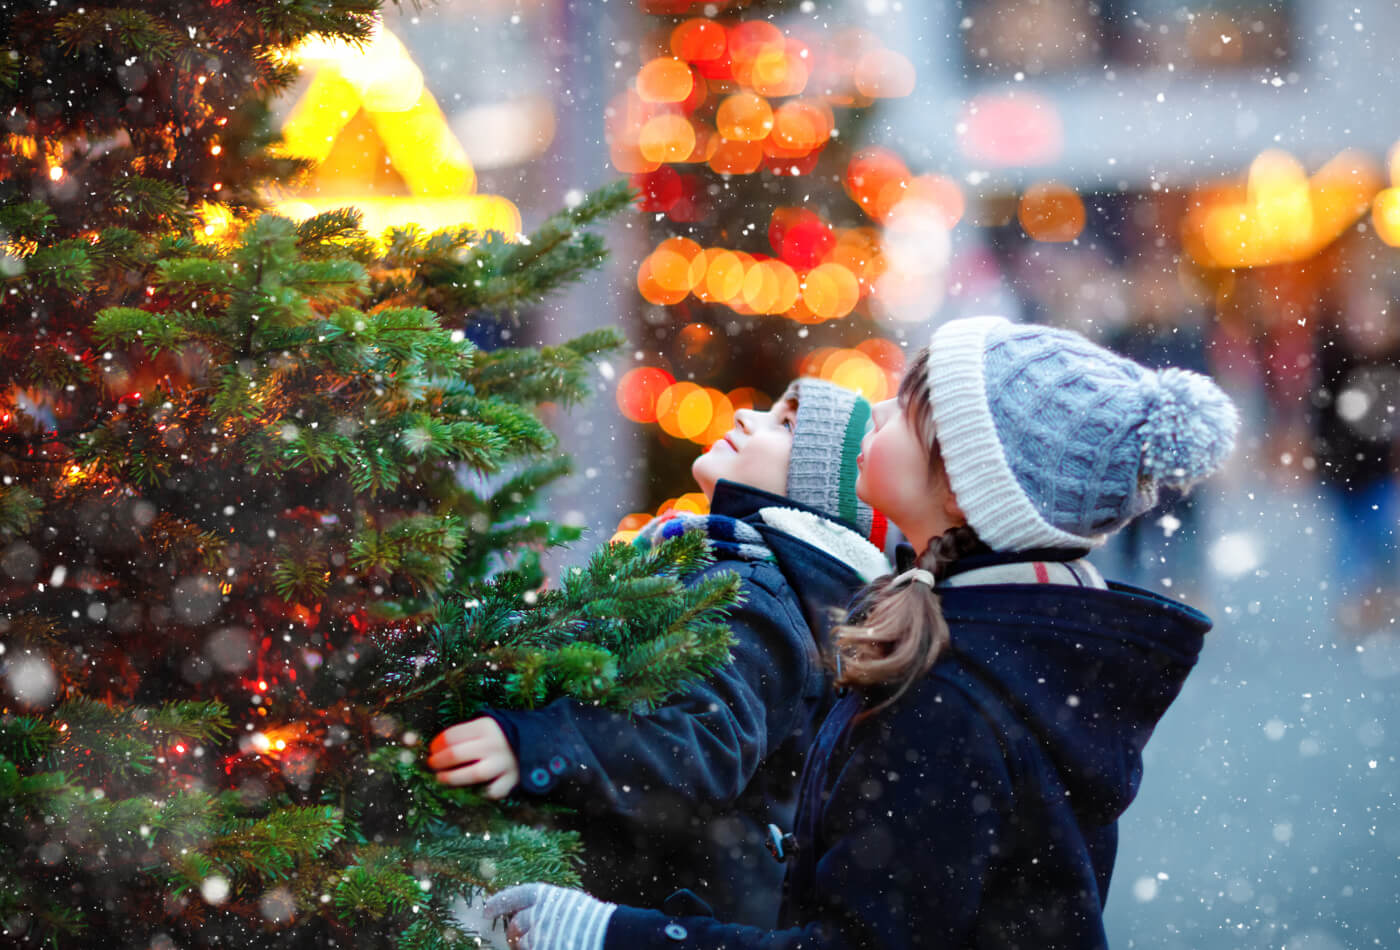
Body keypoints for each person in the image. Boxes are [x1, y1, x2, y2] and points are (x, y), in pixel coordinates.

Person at [482, 315, 1239, 950]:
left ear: (962, 482)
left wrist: (608, 934)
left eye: (907, 409)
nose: (874, 416)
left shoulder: (949, 699)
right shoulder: (992, 652)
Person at [428, 379, 891, 927]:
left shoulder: (755, 595)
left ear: (815, 493)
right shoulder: (733, 569)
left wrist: (538, 744)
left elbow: (700, 741)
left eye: (785, 425)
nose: (745, 414)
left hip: (672, 909)